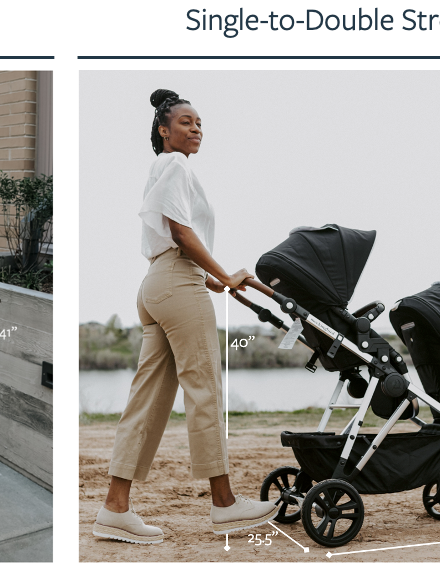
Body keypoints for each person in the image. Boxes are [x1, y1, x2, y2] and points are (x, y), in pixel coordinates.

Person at [93, 89, 279, 544]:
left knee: (147, 400)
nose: (196, 129)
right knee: (205, 388)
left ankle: (115, 508)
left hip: (159, 282)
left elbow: (171, 240)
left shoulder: (163, 169)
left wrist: (214, 281)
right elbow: (180, 231)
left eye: (199, 124)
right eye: (186, 122)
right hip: (176, 281)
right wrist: (223, 275)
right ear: (163, 130)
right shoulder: (173, 164)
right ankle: (224, 505)